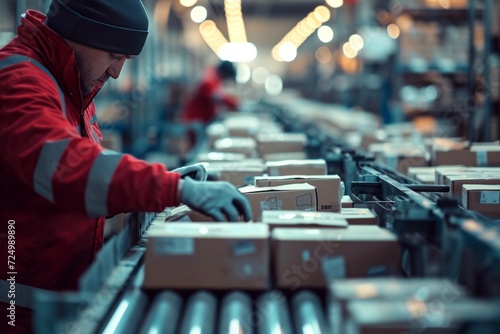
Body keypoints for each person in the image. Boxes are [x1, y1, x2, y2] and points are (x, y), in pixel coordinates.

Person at [0, 0, 252, 333]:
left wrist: (163, 185)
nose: (116, 72)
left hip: (55, 297)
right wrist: (172, 188)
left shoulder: (71, 84)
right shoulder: (19, 81)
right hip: (17, 308)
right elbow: (68, 170)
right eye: (114, 56)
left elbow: (92, 182)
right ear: (79, 35)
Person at [181, 60, 240, 124]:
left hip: (201, 120)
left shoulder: (213, 75)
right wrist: (234, 104)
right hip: (196, 122)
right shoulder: (210, 79)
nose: (225, 80)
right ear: (224, 73)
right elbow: (218, 96)